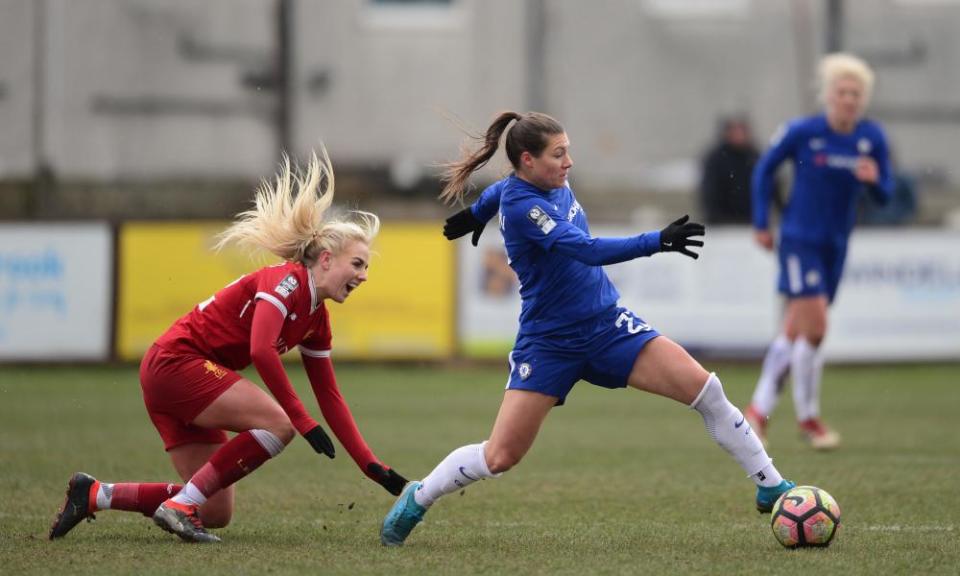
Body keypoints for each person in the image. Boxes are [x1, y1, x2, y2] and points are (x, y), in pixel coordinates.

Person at [378, 111, 795, 547]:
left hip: (606, 326)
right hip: (550, 344)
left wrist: (476, 213)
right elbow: (587, 250)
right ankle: (418, 496)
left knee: (706, 389)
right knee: (500, 456)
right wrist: (657, 241)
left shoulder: (545, 181)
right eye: (559, 154)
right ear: (528, 160)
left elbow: (499, 189)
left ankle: (770, 483)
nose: (569, 161)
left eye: (568, 150)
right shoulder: (525, 209)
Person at [48, 149, 408, 543]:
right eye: (358, 264)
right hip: (176, 364)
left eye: (367, 267)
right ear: (325, 259)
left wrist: (369, 463)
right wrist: (302, 422)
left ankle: (97, 494)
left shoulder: (317, 318)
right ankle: (179, 507)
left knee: (215, 512)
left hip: (184, 377)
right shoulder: (284, 281)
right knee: (279, 425)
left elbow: (330, 396)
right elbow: (260, 351)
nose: (365, 275)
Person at [745, 53, 894, 450]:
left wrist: (875, 182)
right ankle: (809, 419)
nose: (848, 99)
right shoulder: (803, 132)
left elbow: (886, 194)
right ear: (829, 95)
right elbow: (764, 170)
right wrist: (762, 221)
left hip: (836, 244)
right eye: (842, 92)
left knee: (794, 330)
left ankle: (757, 412)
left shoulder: (871, 139)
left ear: (863, 99)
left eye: (856, 93)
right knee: (817, 328)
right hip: (799, 239)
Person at [699, 115, 763, 224]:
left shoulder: (754, 155)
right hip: (722, 220)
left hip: (748, 218)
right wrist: (713, 215)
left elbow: (766, 183)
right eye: (735, 132)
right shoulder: (716, 157)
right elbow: (709, 188)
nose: (739, 136)